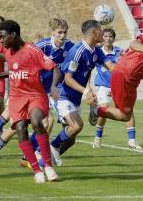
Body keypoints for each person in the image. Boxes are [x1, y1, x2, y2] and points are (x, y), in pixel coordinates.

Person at [0, 20, 59, 183]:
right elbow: (16, 70)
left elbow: (55, 67)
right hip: (17, 98)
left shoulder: (32, 50)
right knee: (20, 128)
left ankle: (48, 166)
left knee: (37, 122)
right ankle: (37, 171)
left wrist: (54, 86)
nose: (0, 41)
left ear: (13, 35)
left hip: (35, 94)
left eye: (3, 37)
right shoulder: (8, 52)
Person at [49, 20, 115, 167]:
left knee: (71, 139)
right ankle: (51, 147)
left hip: (75, 98)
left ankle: (47, 158)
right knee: (77, 126)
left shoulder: (96, 51)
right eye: (100, 30)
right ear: (93, 33)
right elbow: (67, 78)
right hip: (62, 95)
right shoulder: (78, 51)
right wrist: (86, 92)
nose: (103, 33)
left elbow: (111, 66)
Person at [89, 28, 142, 150]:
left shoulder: (119, 51)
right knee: (104, 109)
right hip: (104, 86)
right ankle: (97, 139)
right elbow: (89, 70)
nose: (108, 39)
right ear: (103, 38)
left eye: (110, 36)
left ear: (114, 38)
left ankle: (132, 141)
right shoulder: (97, 53)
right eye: (105, 36)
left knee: (128, 110)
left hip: (119, 86)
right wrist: (89, 88)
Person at [28, 18, 74, 152]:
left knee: (66, 125)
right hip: (39, 88)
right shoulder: (42, 45)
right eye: (59, 32)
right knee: (46, 122)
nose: (62, 36)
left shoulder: (70, 46)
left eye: (65, 32)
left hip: (57, 90)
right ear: (52, 32)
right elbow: (28, 62)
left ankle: (37, 153)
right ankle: (33, 153)